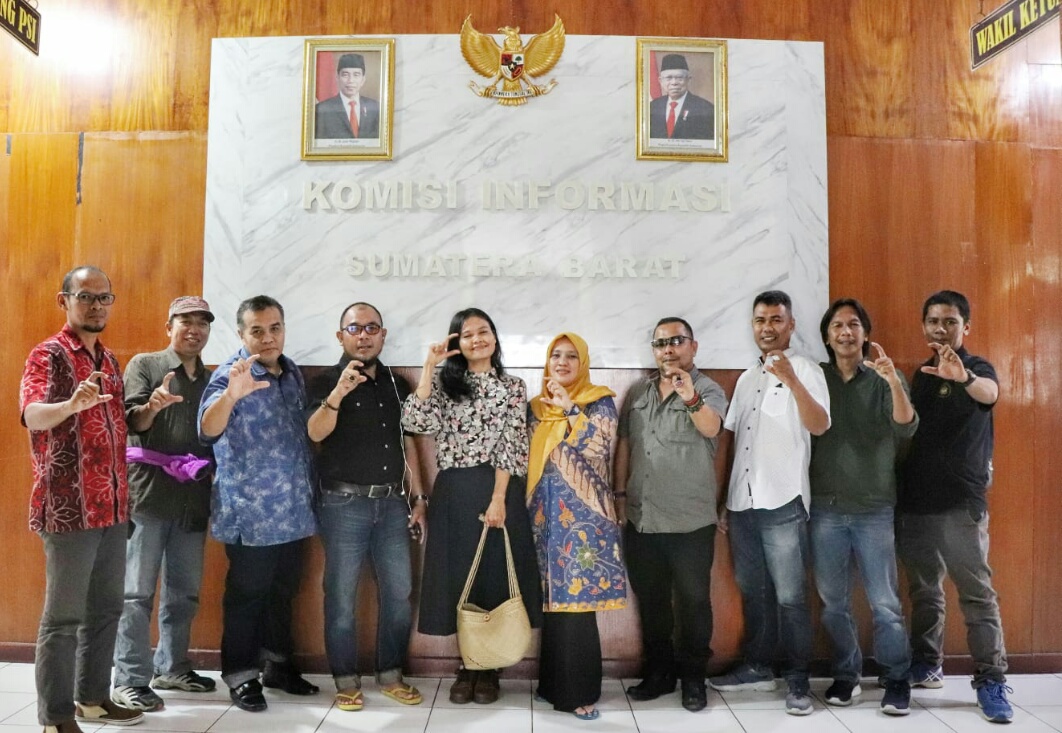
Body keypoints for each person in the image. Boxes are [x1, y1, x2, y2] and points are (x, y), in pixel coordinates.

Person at [19, 265, 144, 732]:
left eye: (103, 298)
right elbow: (32, 414)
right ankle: (55, 717)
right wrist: (70, 405)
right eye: (86, 297)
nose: (96, 306)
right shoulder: (48, 355)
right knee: (63, 618)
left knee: (107, 609)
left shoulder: (108, 360)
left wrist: (147, 412)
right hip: (68, 506)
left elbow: (114, 423)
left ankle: (92, 699)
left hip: (112, 505)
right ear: (64, 300)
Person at [402, 307, 542, 706]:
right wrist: (429, 367)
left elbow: (513, 445)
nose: (477, 339)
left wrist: (498, 499)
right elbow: (416, 422)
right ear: (456, 344)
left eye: (484, 332)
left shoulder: (512, 386)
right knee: (459, 576)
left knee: (493, 575)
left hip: (498, 488)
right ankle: (468, 664)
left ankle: (490, 668)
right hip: (454, 490)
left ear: (495, 338)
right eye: (467, 334)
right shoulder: (446, 384)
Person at [709, 290, 830, 716]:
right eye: (761, 320)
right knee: (753, 592)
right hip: (742, 505)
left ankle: (797, 680)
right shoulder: (746, 379)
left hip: (783, 502)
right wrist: (724, 500)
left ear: (791, 325)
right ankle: (758, 666)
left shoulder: (807, 370)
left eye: (776, 320)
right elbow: (735, 441)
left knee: (791, 598)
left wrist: (791, 380)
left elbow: (820, 425)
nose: (767, 328)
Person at [897, 290, 1013, 723]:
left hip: (961, 505)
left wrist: (963, 377)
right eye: (933, 321)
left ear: (966, 326)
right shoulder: (922, 374)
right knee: (924, 591)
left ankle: (991, 679)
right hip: (916, 503)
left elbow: (989, 394)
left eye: (950, 321)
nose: (941, 329)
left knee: (976, 595)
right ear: (924, 326)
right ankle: (927, 663)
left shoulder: (977, 368)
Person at [198, 295, 318, 713]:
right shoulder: (231, 374)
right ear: (241, 334)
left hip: (293, 510)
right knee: (247, 596)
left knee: (282, 593)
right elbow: (207, 429)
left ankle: (277, 666)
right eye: (257, 330)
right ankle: (241, 675)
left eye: (275, 328)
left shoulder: (291, 371)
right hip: (250, 514)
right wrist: (231, 396)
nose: (268, 338)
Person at [306, 302, 427, 712]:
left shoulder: (397, 384)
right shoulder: (325, 381)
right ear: (340, 336)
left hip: (392, 503)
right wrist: (339, 393)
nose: (363, 336)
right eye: (355, 328)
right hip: (342, 504)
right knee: (341, 595)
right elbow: (315, 432)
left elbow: (408, 443)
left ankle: (390, 674)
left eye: (371, 328)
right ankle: (345, 679)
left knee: (399, 592)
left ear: (383, 335)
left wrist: (419, 498)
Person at [808, 298, 916, 715]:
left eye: (854, 325)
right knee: (833, 601)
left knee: (884, 602)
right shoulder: (816, 378)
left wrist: (893, 383)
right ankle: (846, 674)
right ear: (827, 336)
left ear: (865, 334)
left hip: (874, 508)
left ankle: (896, 678)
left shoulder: (884, 376)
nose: (846, 332)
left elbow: (906, 427)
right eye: (837, 326)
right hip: (826, 509)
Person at [111, 297, 218, 712]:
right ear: (168, 326)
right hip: (148, 494)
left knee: (184, 592)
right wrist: (152, 407)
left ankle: (172, 667)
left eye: (202, 323)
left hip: (193, 497)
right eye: (185, 321)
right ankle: (129, 678)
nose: (194, 329)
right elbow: (131, 420)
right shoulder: (146, 365)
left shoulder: (211, 378)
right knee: (135, 594)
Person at [615, 318, 728, 713]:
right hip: (642, 517)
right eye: (661, 343)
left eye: (677, 341)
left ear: (693, 346)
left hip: (689, 521)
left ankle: (694, 677)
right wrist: (619, 495)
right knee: (652, 600)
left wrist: (689, 394)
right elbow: (625, 445)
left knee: (694, 602)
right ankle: (659, 673)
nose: (668, 349)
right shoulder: (638, 392)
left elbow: (711, 428)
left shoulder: (708, 389)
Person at [528, 333, 626, 721]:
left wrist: (569, 408)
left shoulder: (598, 401)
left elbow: (598, 446)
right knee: (553, 603)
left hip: (585, 521)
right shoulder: (536, 408)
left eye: (571, 356)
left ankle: (580, 692)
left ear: (582, 363)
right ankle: (551, 686)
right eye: (556, 355)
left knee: (578, 607)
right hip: (544, 519)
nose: (563, 362)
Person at [649, 54, 715, 140]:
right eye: (668, 78)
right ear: (660, 81)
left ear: (688, 79)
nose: (674, 82)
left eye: (679, 78)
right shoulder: (652, 107)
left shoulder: (706, 109)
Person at [314, 53, 380, 139]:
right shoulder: (321, 109)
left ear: (363, 80)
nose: (351, 80)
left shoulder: (375, 107)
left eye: (356, 75)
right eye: (345, 75)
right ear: (337, 78)